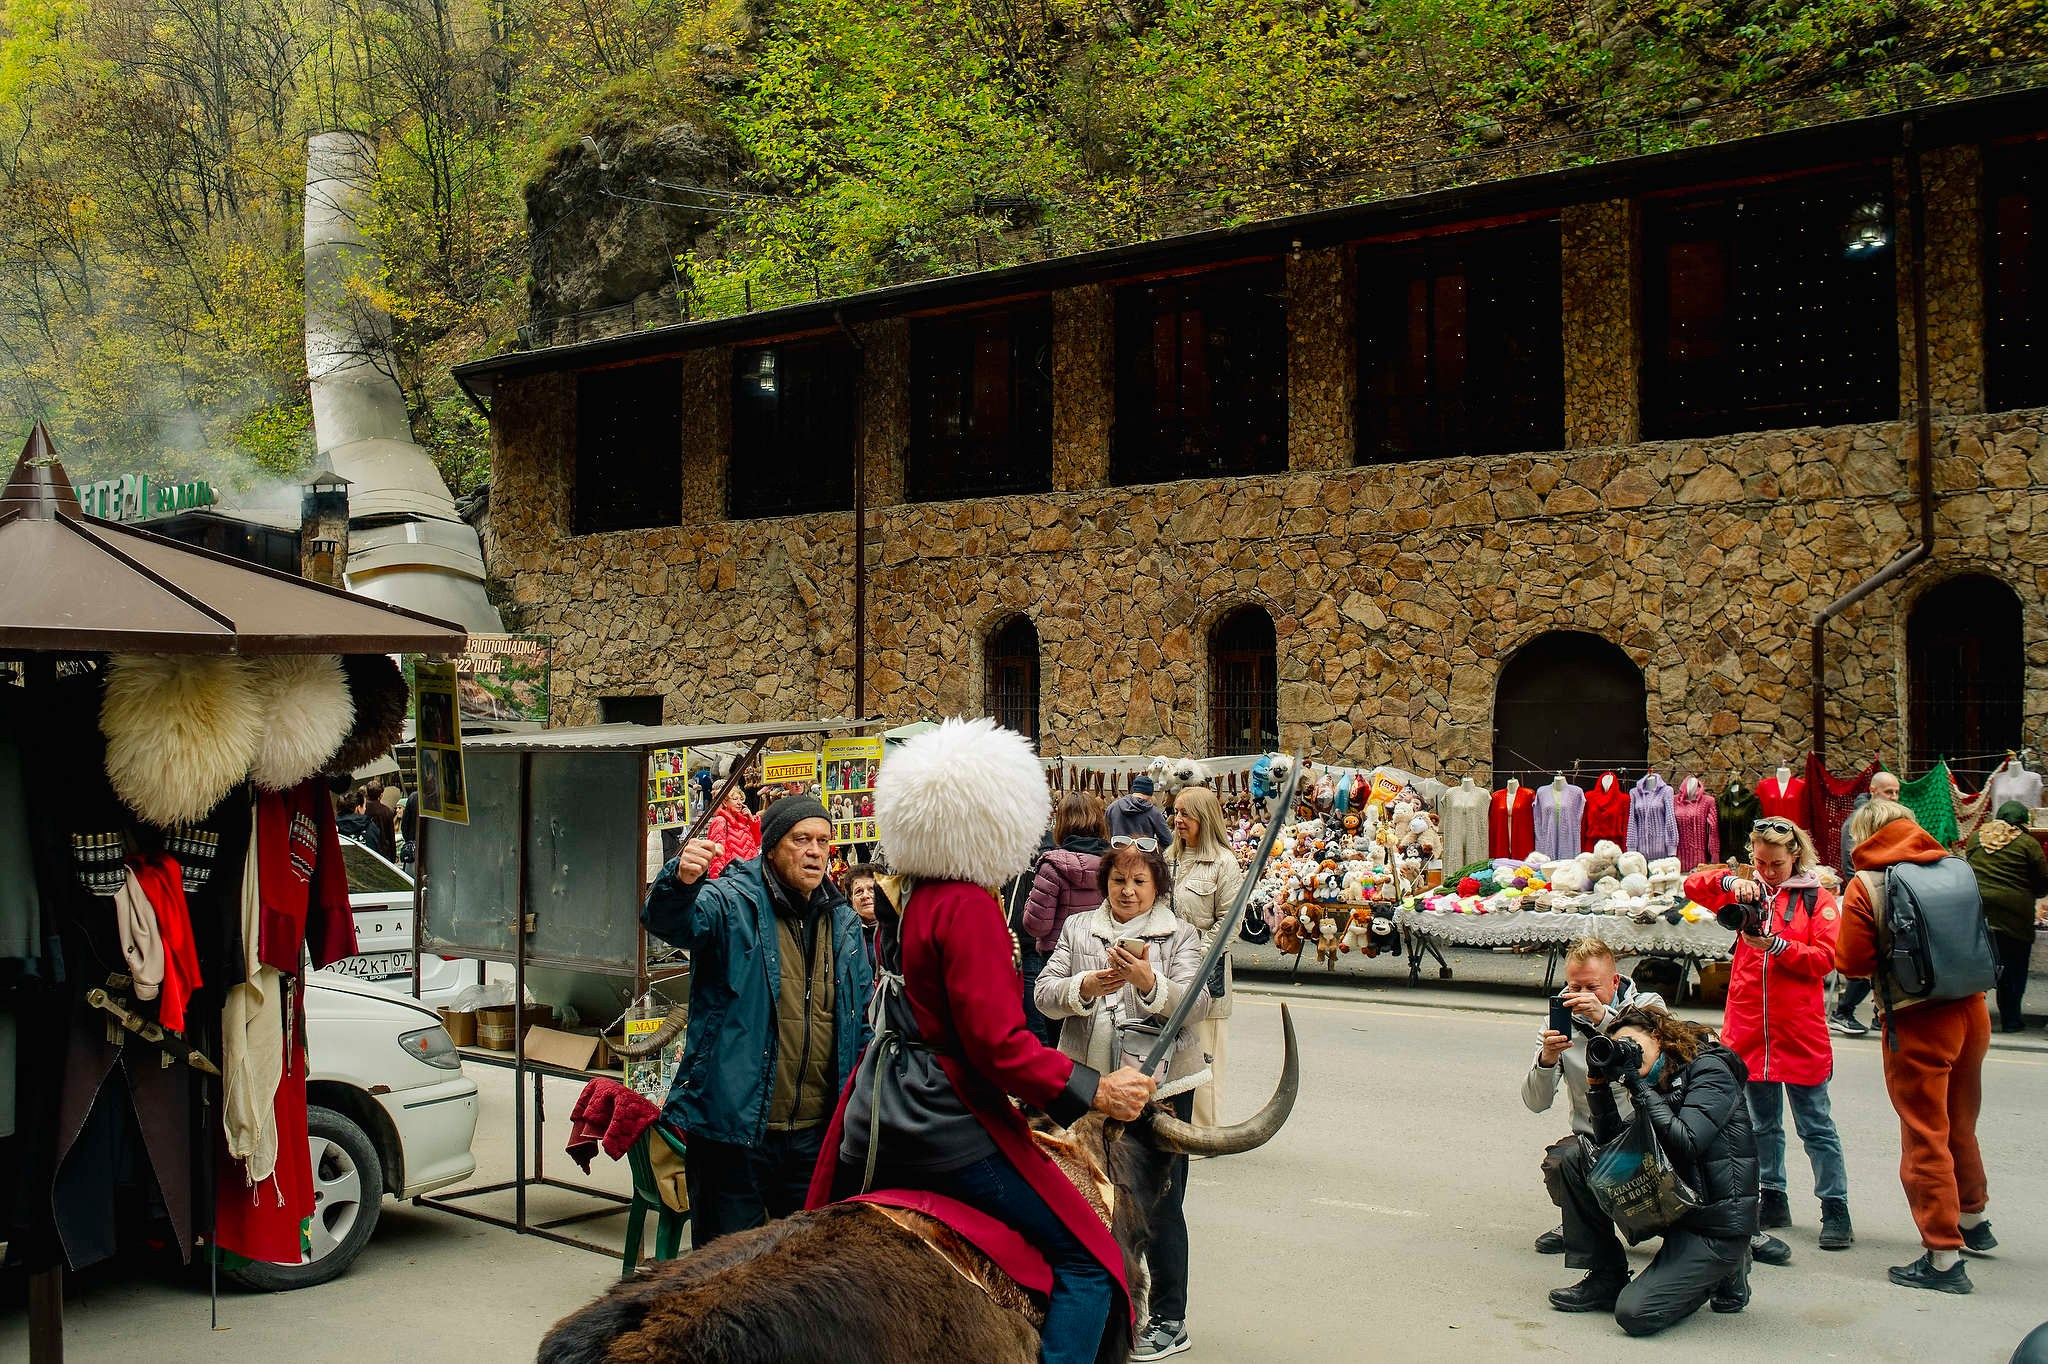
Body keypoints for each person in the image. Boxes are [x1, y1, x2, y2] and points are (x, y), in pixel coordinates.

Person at [815, 719, 1157, 1364]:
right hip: (942, 1117)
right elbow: (997, 1046)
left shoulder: (906, 895)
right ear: (996, 818)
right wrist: (1095, 1089)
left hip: (881, 1105)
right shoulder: (966, 904)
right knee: (1092, 1263)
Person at [641, 794, 873, 1248]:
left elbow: (857, 1023)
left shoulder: (844, 924)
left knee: (802, 1273)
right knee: (727, 1271)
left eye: (823, 841)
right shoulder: (731, 901)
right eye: (800, 839)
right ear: (770, 847)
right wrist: (681, 880)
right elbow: (669, 922)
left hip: (815, 1137)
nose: (815, 851)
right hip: (736, 1131)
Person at [1036, 839, 1210, 1362]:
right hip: (1088, 1091)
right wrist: (1085, 986)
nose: (1127, 891)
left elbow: (1197, 1004)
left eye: (1139, 882)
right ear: (1104, 884)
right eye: (1118, 881)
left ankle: (1169, 1317)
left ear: (1156, 886)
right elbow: (1045, 992)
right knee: (1085, 1201)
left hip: (1158, 1094)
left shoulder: (1181, 935)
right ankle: (1101, 1306)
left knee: (1159, 1207)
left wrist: (1149, 984)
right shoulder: (1078, 929)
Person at [1836, 798, 1994, 1293]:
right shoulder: (1954, 866)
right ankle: (1973, 1221)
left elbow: (1852, 962)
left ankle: (1943, 1257)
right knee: (1960, 1123)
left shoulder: (1868, 884)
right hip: (1971, 1008)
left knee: (1925, 1134)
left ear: (1865, 834)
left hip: (1917, 1016)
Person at [1684, 817, 1853, 1251]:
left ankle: (1835, 1208)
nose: (1768, 870)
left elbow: (1825, 959)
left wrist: (1777, 947)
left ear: (1795, 855)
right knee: (1761, 1125)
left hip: (1799, 1031)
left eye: (1775, 863)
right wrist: (1731, 881)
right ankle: (1772, 1198)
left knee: (1815, 1125)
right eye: (1760, 862)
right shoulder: (1751, 885)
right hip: (1750, 1031)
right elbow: (1693, 887)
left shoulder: (1819, 898)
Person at [1548, 1005, 1760, 1336]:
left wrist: (1636, 1082)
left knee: (1635, 1314)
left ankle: (1727, 1268)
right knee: (1576, 1158)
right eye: (1622, 1048)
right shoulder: (1651, 1079)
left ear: (1657, 1036)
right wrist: (1600, 1085)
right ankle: (1607, 1275)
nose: (1630, 1054)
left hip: (1714, 1223)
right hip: (1674, 1205)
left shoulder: (1710, 1071)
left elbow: (1686, 1141)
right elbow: (1614, 1155)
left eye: (1633, 1043)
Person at [1523, 937, 1682, 1259]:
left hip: (1652, 1131)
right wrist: (1547, 1059)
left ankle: (1691, 1229)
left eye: (1591, 988)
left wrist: (1604, 1019)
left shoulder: (1647, 1005)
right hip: (1594, 1135)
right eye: (1574, 987)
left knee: (1677, 1173)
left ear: (1614, 981)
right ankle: (1584, 1220)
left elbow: (1654, 1062)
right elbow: (1536, 1102)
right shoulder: (1557, 1022)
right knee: (1560, 1163)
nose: (1581, 997)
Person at [1168, 784, 1243, 1129]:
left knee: (1205, 1062)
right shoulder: (1169, 859)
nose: (1177, 819)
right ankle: (1180, 1133)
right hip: (1168, 978)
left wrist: (1190, 956)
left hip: (1205, 980)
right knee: (1176, 1062)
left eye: (1185, 813)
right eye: (1176, 811)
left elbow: (1229, 925)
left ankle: (1204, 1134)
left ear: (1204, 817)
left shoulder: (1223, 864)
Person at [1965, 800, 2048, 1033]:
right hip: (2014, 920)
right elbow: (2042, 881)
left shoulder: (1976, 838)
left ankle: (1971, 1019)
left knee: (1978, 968)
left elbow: (1967, 868)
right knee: (2013, 970)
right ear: (2022, 822)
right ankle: (2011, 1020)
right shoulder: (2027, 844)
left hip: (1977, 915)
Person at [1832, 770, 1903, 1037]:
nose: (1894, 797)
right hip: (1868, 896)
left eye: (1896, 792)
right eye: (1889, 792)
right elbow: (1854, 865)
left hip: (1882, 892)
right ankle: (1843, 1011)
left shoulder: (1887, 819)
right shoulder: (1858, 822)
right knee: (1871, 957)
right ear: (1873, 791)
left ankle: (1878, 1014)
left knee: (1886, 956)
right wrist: (1870, 891)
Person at [1020, 791, 1111, 972]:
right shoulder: (1114, 865)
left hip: (1057, 959)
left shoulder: (1052, 866)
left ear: (1061, 822)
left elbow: (1036, 926)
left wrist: (1030, 898)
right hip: (1101, 955)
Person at [701, 781, 762, 878]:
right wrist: (718, 882)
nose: (739, 803)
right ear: (725, 802)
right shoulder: (720, 821)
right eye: (735, 799)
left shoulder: (743, 821)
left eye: (740, 799)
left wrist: (752, 820)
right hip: (734, 879)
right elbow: (717, 856)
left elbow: (758, 842)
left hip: (750, 876)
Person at [1107, 774, 1172, 846]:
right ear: (1150, 794)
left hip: (1116, 855)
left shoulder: (1112, 808)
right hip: (1143, 856)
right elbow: (1168, 841)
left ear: (1133, 790)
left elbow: (1105, 836)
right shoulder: (1153, 813)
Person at [844, 861, 882, 965]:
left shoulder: (899, 931)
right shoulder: (844, 936)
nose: (865, 896)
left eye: (872, 889)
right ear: (851, 900)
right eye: (859, 891)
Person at [364, 781, 398, 859]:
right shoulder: (386, 811)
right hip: (384, 852)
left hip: (367, 848)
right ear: (381, 795)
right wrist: (393, 855)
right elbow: (391, 835)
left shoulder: (363, 809)